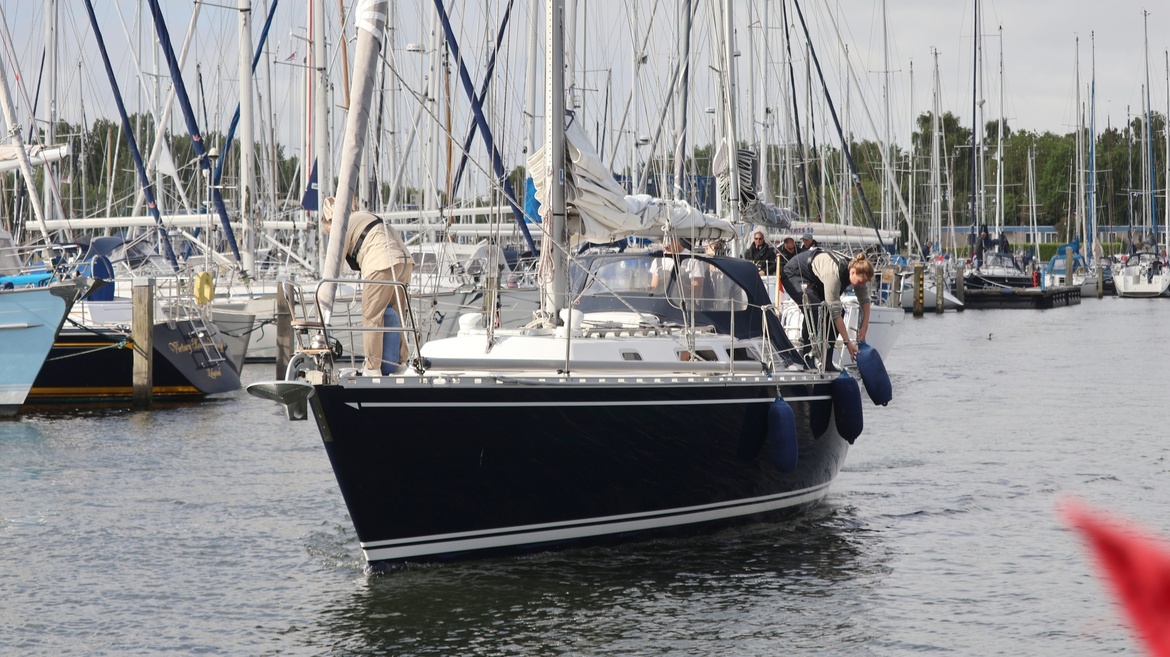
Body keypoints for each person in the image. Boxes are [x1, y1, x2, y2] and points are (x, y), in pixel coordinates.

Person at [322, 195, 414, 375]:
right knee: (399, 315)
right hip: (404, 261)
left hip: (382, 262)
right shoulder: (362, 216)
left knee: (372, 316)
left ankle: (373, 368)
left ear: (330, 220)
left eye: (328, 232)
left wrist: (323, 294)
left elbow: (334, 265)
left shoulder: (341, 224)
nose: (331, 236)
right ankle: (401, 363)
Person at [780, 248, 874, 370]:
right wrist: (848, 343)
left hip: (815, 277)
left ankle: (826, 361)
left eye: (864, 282)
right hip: (793, 273)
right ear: (853, 272)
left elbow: (864, 300)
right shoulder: (833, 274)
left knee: (840, 311)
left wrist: (864, 326)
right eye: (861, 282)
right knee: (813, 309)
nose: (861, 285)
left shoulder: (858, 269)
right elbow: (835, 314)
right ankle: (807, 358)